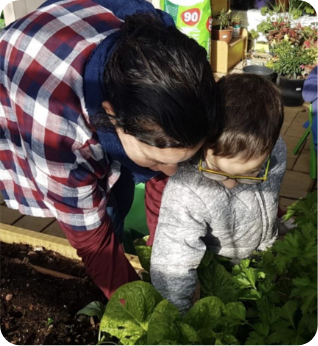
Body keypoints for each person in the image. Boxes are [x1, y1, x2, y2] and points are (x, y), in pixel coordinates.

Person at [0, 0, 220, 299]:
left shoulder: (166, 48)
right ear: (110, 114)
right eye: (155, 158)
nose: (172, 170)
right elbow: (92, 241)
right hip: (28, 71)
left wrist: (169, 257)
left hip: (78, 31)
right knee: (106, 217)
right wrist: (141, 310)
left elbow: (164, 184)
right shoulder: (61, 130)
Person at [150, 73, 287, 313]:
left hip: (264, 255)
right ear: (203, 142)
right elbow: (174, 260)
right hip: (217, 269)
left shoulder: (278, 152)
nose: (231, 184)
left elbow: (269, 196)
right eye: (216, 171)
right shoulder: (187, 189)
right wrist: (180, 315)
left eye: (250, 173)